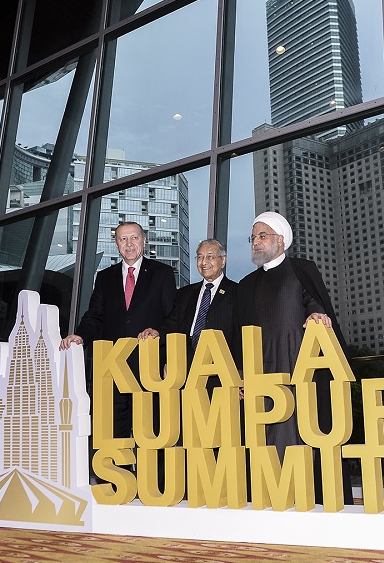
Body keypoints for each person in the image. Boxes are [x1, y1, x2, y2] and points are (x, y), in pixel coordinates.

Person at [234, 211, 352, 504]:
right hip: (261, 373)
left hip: (300, 368)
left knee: (303, 432)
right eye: (253, 238)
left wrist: (316, 313)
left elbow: (315, 300)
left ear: (281, 240)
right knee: (265, 437)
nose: (256, 243)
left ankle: (306, 498)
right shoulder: (247, 283)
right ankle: (271, 496)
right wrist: (240, 375)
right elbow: (238, 335)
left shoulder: (301, 269)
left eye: (262, 236)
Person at [60, 221, 177, 439]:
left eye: (134, 238)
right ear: (116, 244)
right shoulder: (105, 277)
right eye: (123, 239)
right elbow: (95, 315)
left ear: (144, 240)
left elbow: (173, 316)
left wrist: (158, 334)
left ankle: (150, 475)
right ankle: (116, 472)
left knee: (151, 431)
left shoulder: (162, 273)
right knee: (114, 433)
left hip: (149, 365)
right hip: (114, 366)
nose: (129, 244)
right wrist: (81, 335)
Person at [139, 239, 239, 392]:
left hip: (220, 371)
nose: (204, 262)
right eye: (199, 257)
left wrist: (237, 378)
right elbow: (172, 324)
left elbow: (241, 337)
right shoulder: (185, 294)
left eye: (210, 256)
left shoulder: (237, 292)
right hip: (186, 368)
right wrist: (156, 332)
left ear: (223, 260)